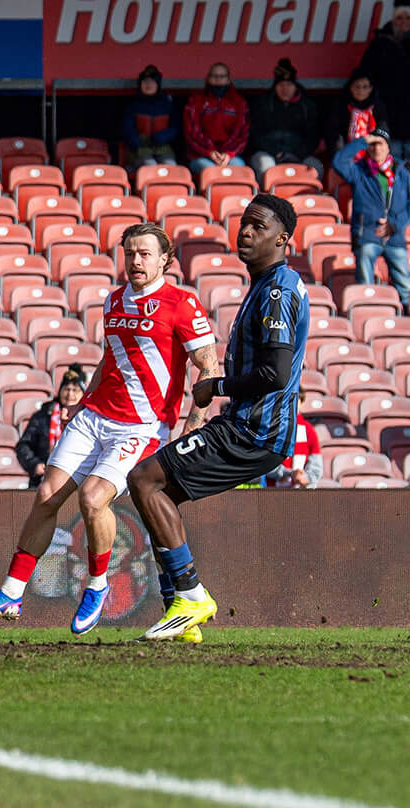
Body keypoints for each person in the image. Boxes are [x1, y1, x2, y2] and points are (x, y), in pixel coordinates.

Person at [0, 222, 221, 635]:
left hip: (142, 424)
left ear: (165, 259)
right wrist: (83, 401)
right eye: (130, 253)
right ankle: (10, 592)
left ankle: (97, 586)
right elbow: (111, 359)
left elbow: (208, 365)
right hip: (95, 415)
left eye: (145, 254)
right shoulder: (114, 301)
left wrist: (192, 423)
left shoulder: (182, 303)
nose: (135, 261)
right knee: (46, 495)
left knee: (94, 500)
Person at [126, 194, 308, 641]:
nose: (245, 232)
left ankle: (189, 595)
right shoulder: (267, 285)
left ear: (282, 239)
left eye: (258, 227)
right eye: (244, 223)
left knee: (144, 480)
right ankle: (182, 616)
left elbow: (275, 372)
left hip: (256, 430)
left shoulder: (278, 291)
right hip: (252, 427)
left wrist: (216, 387)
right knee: (156, 496)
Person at [332, 127, 410, 310]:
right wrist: (363, 140)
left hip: (395, 237)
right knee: (365, 286)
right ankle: (368, 315)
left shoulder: (401, 172)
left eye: (380, 144)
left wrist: (394, 224)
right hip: (367, 236)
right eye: (372, 145)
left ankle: (406, 321)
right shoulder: (359, 171)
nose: (376, 149)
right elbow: (338, 161)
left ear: (388, 148)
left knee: (404, 286)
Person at [353, 0, 410, 145]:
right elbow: (365, 74)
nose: (404, 22)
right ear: (393, 19)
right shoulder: (380, 42)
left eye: (408, 18)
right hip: (387, 112)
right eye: (399, 18)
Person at [12, 366, 87, 491]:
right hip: (44, 479)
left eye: (75, 390)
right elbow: (23, 446)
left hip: (78, 479)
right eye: (66, 389)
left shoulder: (87, 418)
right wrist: (34, 464)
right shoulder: (43, 415)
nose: (70, 394)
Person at [247, 59, 324, 178]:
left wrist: (297, 154)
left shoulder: (306, 105)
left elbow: (313, 136)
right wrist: (275, 152)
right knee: (264, 165)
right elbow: (255, 134)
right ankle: (267, 196)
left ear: (295, 86)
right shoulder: (264, 103)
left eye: (289, 85)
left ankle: (308, 197)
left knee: (315, 166)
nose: (285, 89)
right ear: (275, 86)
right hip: (269, 153)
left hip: (299, 154)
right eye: (281, 85)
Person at [183, 63, 251, 173]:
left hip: (230, 156)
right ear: (208, 78)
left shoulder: (239, 103)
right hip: (201, 156)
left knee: (238, 170)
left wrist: (228, 154)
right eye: (214, 76)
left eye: (222, 76)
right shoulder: (195, 101)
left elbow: (242, 134)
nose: (218, 80)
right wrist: (209, 152)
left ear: (228, 80)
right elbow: (191, 133)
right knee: (212, 172)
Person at [120, 64, 180, 167]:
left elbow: (175, 128)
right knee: (150, 166)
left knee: (170, 167)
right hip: (139, 151)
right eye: (145, 82)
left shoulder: (167, 105)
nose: (148, 85)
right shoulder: (133, 106)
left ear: (158, 85)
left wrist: (161, 137)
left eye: (152, 82)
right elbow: (127, 129)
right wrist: (139, 143)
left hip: (163, 148)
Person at [327, 71, 389, 160]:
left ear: (370, 89)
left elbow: (383, 129)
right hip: (346, 155)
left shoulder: (378, 107)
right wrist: (340, 156)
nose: (361, 91)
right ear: (351, 87)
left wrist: (376, 149)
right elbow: (333, 133)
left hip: (372, 154)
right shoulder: (341, 106)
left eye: (365, 87)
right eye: (357, 87)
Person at [265, 391, 322, 488]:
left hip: (302, 492)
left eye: (296, 400)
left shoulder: (309, 430)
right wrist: (287, 473)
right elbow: (265, 463)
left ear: (302, 402)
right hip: (274, 492)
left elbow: (316, 465)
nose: (292, 404)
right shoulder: (272, 429)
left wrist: (305, 477)